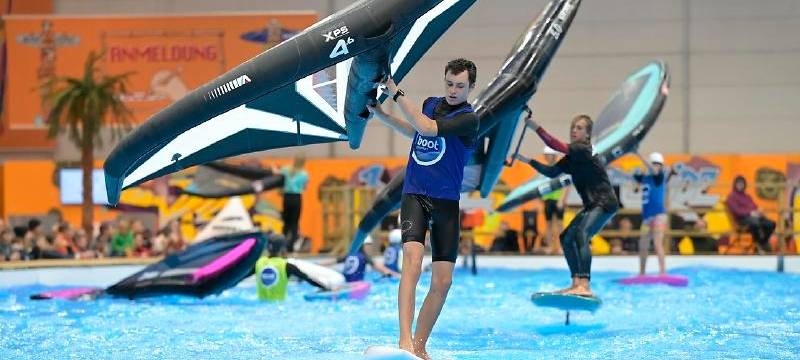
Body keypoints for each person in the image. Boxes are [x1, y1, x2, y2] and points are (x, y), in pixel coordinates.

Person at [367, 58, 479, 358]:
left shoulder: (469, 119)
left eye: (460, 86)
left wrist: (394, 91)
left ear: (470, 87)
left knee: (443, 280)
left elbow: (428, 129)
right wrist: (382, 116)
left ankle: (419, 345)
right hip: (415, 194)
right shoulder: (430, 103)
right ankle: (404, 341)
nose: (454, 90)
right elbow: (415, 131)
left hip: (446, 202)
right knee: (412, 262)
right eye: (450, 84)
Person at [515, 114, 619, 297]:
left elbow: (557, 146)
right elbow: (551, 172)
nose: (574, 130)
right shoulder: (571, 158)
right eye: (573, 127)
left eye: (579, 128)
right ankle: (576, 283)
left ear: (587, 134)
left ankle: (585, 285)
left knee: (582, 234)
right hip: (591, 205)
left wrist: (536, 128)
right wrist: (528, 161)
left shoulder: (584, 149)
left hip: (605, 202)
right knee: (566, 238)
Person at [255, 234, 330, 301]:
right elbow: (308, 278)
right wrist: (325, 287)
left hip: (260, 304)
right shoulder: (286, 266)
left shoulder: (259, 263)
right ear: (282, 249)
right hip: (278, 306)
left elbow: (244, 274)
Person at [633, 152, 671, 275]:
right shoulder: (644, 178)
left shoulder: (659, 177)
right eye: (654, 164)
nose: (655, 167)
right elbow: (633, 175)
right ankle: (642, 272)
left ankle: (663, 272)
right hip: (646, 218)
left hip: (659, 216)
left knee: (657, 243)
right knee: (643, 245)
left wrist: (639, 155)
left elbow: (654, 171)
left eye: (658, 165)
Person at [726, 175, 776, 253]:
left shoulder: (747, 196)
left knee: (771, 224)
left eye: (742, 184)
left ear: (744, 185)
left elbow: (754, 206)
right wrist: (750, 213)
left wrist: (759, 210)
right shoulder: (731, 197)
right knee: (755, 222)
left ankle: (761, 243)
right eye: (738, 184)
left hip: (754, 217)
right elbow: (737, 211)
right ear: (735, 184)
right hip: (741, 220)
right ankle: (760, 246)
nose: (740, 185)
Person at [541, 146, 569, 255]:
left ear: (554, 156)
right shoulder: (544, 169)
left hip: (558, 199)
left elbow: (567, 185)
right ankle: (550, 247)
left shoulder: (560, 168)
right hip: (547, 199)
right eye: (546, 155)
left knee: (559, 225)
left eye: (549, 155)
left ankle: (561, 247)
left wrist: (562, 199)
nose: (547, 157)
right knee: (548, 225)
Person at [280, 156, 309, 254]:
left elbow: (280, 181)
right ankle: (290, 246)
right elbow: (305, 187)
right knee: (294, 222)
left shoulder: (285, 170)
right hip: (296, 198)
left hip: (287, 197)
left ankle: (282, 244)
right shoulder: (304, 174)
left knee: (286, 222)